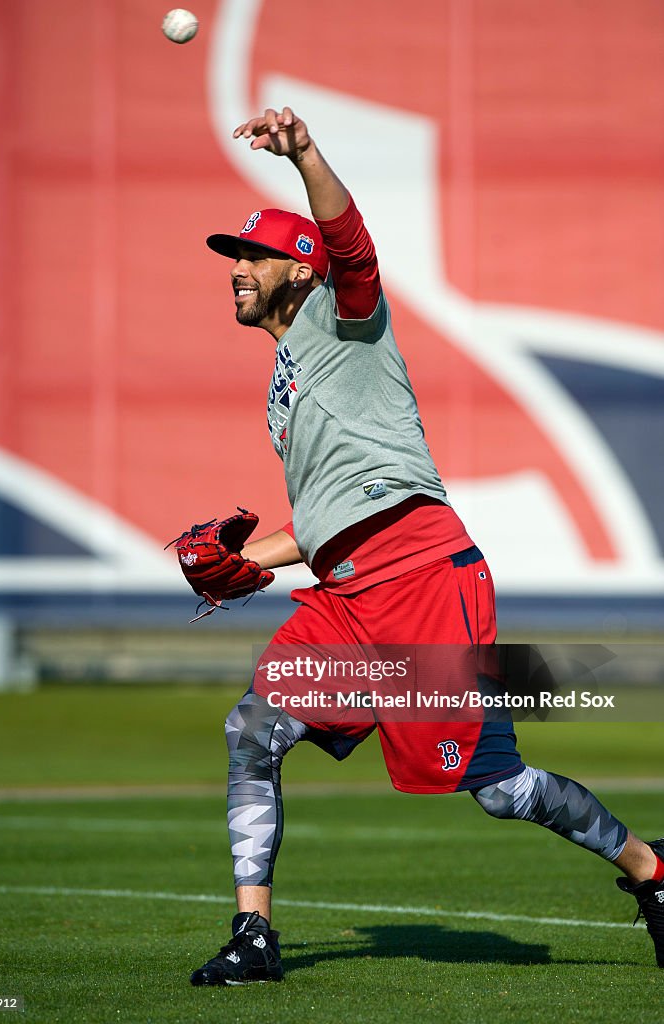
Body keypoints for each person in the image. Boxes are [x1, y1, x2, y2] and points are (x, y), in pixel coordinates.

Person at [190, 106, 664, 985]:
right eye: (232, 258)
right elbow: (328, 522)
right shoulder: (282, 384)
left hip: (420, 578)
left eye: (251, 256)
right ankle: (253, 934)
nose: (237, 271)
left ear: (298, 272)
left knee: (497, 790)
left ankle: (653, 872)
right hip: (343, 594)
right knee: (251, 729)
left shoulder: (345, 319)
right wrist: (251, 565)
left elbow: (352, 247)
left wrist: (303, 155)